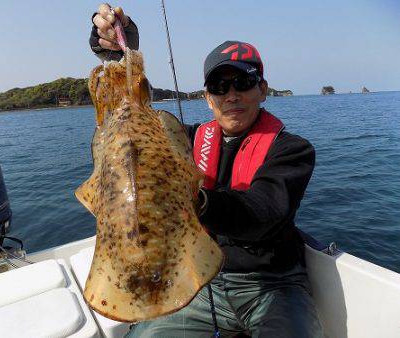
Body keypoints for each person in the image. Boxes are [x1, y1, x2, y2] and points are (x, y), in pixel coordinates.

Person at [89, 4, 325, 337]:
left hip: (273, 283)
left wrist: (195, 200)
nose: (232, 95)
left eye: (243, 82)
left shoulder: (292, 150)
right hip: (201, 281)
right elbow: (133, 123)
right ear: (207, 97)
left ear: (263, 89)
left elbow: (264, 211)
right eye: (219, 85)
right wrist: (115, 54)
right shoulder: (182, 140)